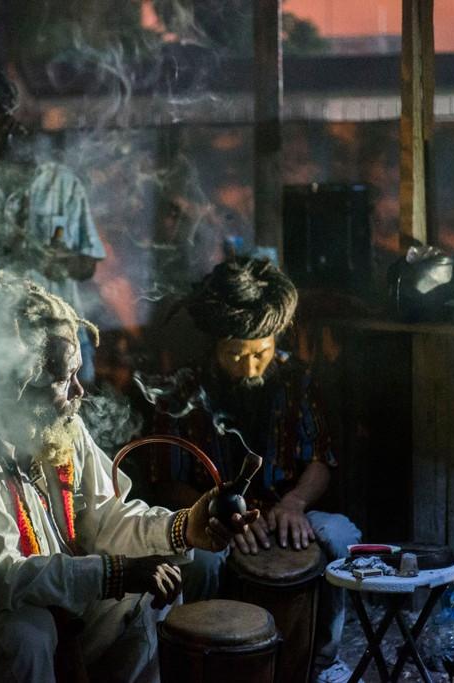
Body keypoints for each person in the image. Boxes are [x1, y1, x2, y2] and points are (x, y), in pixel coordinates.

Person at [0, 278, 256, 683]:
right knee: (26, 632)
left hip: (62, 620)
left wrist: (182, 528)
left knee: (151, 589)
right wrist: (111, 573)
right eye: (61, 378)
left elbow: (108, 520)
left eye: (76, 373)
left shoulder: (63, 429)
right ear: (11, 386)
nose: (78, 391)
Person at [140, 257, 362, 683]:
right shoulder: (183, 389)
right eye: (235, 356)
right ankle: (196, 659)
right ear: (215, 345)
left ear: (275, 338)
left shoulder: (297, 381)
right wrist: (217, 514)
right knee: (201, 562)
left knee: (341, 536)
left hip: (282, 513)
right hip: (210, 520)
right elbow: (166, 479)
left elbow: (321, 462)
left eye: (259, 353)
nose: (249, 369)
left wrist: (295, 503)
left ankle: (322, 662)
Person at [0, 70, 105, 385]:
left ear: (12, 128)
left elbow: (88, 265)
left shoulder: (61, 185)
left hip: (63, 343)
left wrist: (56, 260)